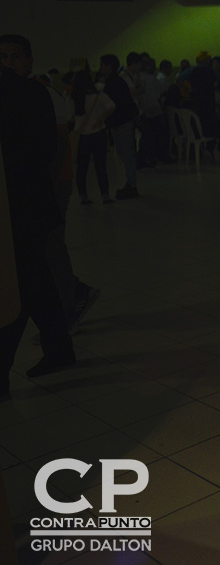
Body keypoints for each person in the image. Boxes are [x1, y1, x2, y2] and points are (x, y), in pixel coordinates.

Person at [0, 35, 76, 395]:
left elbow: (53, 149)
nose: (8, 63)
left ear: (29, 61)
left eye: (14, 57)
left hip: (22, 204)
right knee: (34, 281)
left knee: (23, 283)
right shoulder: (30, 93)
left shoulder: (32, 94)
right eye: (3, 57)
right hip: (27, 201)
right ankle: (59, 348)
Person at [99, 53, 140, 199]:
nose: (100, 68)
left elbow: (114, 105)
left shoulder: (112, 83)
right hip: (125, 121)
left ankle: (132, 184)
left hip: (120, 122)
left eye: (102, 65)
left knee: (126, 154)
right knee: (127, 153)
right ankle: (131, 183)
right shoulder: (118, 80)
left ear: (108, 67)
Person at [71, 69, 115, 204]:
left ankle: (83, 196)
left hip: (81, 136)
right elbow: (112, 106)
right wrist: (101, 118)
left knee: (82, 167)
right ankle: (105, 196)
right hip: (98, 134)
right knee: (100, 166)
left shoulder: (72, 98)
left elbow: (70, 117)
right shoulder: (98, 96)